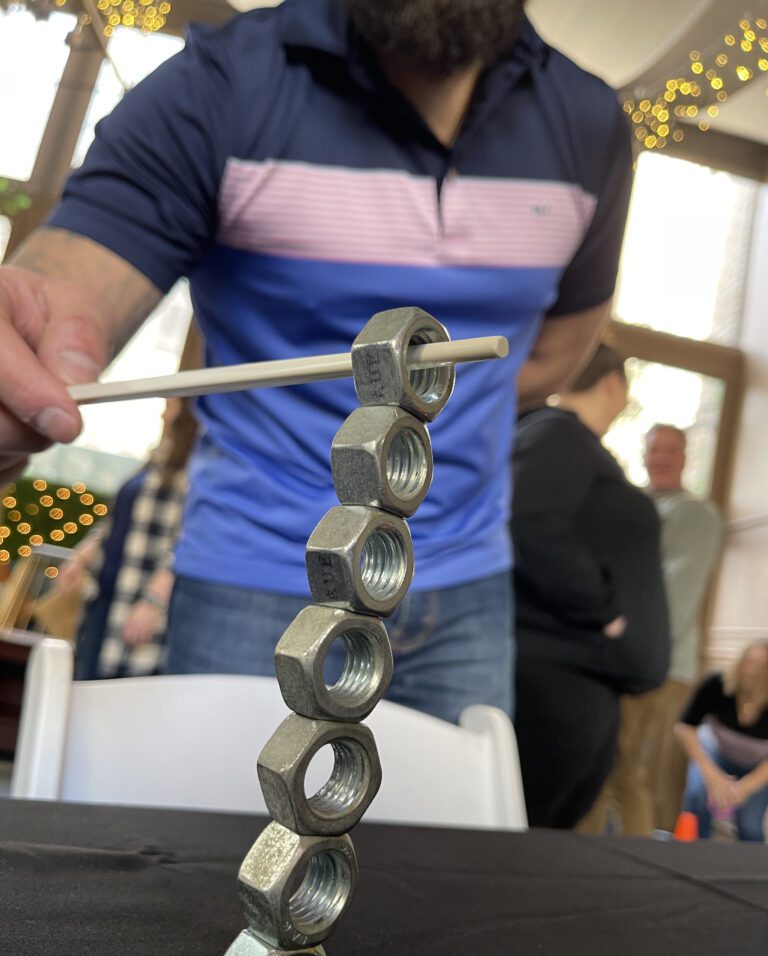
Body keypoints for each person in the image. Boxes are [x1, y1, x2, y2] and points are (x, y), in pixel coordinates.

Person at [0, 0, 633, 723]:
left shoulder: (590, 124)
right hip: (255, 579)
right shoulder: (221, 85)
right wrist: (30, 338)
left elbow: (553, 353)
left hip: (468, 588)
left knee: (448, 836)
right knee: (238, 833)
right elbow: (59, 294)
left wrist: (410, 407)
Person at [513, 344, 669, 828]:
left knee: (546, 842)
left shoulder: (576, 445)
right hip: (558, 679)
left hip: (585, 682)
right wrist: (603, 608)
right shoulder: (557, 434)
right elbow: (529, 521)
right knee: (526, 844)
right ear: (612, 384)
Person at [55, 398, 197, 678]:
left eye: (171, 405)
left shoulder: (194, 470)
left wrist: (154, 601)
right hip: (103, 596)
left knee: (117, 690)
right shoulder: (158, 459)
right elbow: (114, 522)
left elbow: (189, 541)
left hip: (139, 598)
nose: (163, 412)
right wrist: (81, 558)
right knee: (85, 684)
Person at [644, 424, 724, 831]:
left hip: (663, 665)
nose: (661, 457)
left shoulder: (695, 514)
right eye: (654, 449)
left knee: (650, 778)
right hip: (632, 662)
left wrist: (642, 657)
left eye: (671, 450)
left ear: (685, 458)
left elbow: (677, 599)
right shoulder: (636, 503)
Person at [676, 641, 768, 842]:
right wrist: (712, 776)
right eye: (748, 661)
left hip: (759, 767)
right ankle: (693, 855)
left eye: (761, 667)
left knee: (750, 823)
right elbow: (685, 727)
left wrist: (745, 787)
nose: (750, 670)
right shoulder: (717, 684)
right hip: (716, 755)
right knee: (696, 798)